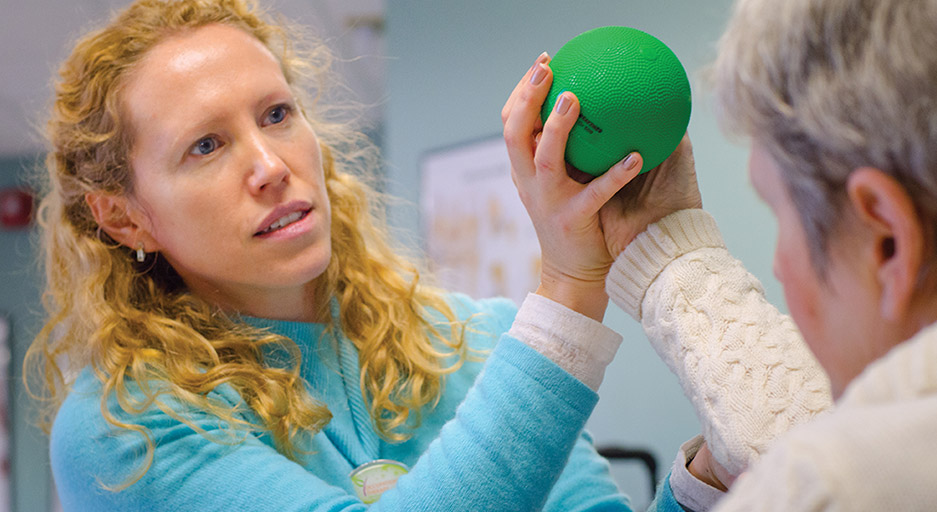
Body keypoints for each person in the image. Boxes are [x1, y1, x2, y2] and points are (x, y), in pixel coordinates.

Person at [26, 0, 659, 510]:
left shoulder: (480, 339)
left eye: (277, 115)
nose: (271, 167)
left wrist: (708, 475)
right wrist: (571, 291)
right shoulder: (124, 431)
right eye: (206, 146)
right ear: (126, 217)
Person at [516, 0, 937, 509]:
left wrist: (596, 272)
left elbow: (819, 459)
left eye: (778, 213)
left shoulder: (839, 483)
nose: (780, 263)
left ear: (888, 241)